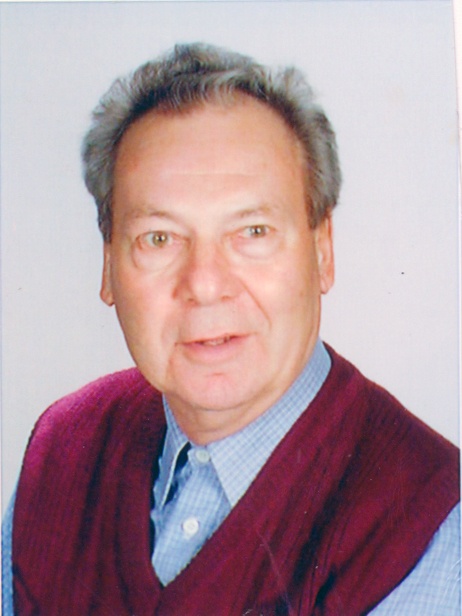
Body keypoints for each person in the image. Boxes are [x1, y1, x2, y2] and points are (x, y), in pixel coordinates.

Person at [2, 43, 459, 615]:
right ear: (108, 265)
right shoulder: (63, 454)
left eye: (253, 233)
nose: (205, 284)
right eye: (159, 239)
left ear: (322, 252)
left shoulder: (425, 521)